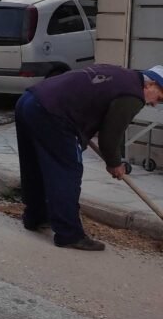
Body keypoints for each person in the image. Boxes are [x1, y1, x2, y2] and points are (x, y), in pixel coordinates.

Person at [14, 64, 163, 250]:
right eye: (159, 97)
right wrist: (114, 163)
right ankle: (68, 235)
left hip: (30, 100)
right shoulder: (133, 95)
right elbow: (110, 137)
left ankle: (35, 217)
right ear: (151, 84)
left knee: (35, 165)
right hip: (52, 113)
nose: (155, 103)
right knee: (66, 172)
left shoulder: (122, 75)